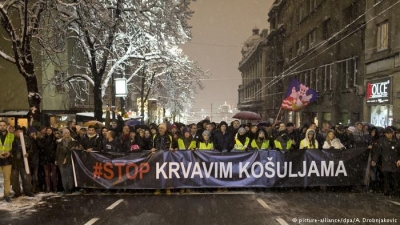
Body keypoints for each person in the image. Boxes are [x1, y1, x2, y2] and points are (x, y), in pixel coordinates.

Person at [371, 127, 400, 196]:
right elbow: (378, 152)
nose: (390, 135)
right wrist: (374, 160)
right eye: (388, 133)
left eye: (391, 133)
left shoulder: (397, 141)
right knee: (386, 178)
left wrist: (399, 159)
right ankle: (387, 191)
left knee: (395, 178)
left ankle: (395, 192)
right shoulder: (382, 141)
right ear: (385, 134)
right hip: (385, 162)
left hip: (395, 163)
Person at [151, 123, 176, 195]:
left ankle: (167, 188)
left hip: (167, 157)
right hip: (157, 157)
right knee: (157, 173)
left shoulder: (169, 136)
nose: (160, 129)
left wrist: (173, 148)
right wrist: (152, 148)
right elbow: (153, 145)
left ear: (165, 129)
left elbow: (174, 144)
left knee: (167, 173)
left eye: (162, 128)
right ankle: (158, 188)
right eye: (159, 128)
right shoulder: (155, 136)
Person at [11, 126, 34, 198]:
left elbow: (31, 148)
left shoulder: (26, 139)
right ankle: (17, 192)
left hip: (24, 162)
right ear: (15, 133)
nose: (20, 133)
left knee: (26, 177)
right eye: (18, 132)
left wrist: (28, 153)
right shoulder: (12, 140)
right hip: (15, 162)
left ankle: (28, 191)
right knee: (15, 178)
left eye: (21, 132)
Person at [55, 129, 78, 194]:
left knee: (70, 174)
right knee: (63, 175)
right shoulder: (60, 142)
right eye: (65, 133)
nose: (67, 134)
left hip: (70, 160)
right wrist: (56, 159)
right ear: (63, 134)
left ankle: (70, 188)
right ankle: (65, 188)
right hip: (61, 160)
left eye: (68, 133)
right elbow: (57, 152)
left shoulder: (74, 142)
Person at [39, 127, 58, 193]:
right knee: (47, 175)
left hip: (52, 159)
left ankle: (54, 187)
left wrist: (55, 158)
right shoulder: (43, 139)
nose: (49, 131)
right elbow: (42, 147)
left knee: (54, 174)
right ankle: (48, 188)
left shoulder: (55, 139)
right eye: (48, 130)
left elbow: (56, 150)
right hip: (46, 159)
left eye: (50, 130)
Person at [0, 121, 13, 202]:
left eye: (4, 125)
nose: (2, 127)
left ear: (6, 126)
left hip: (7, 160)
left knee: (7, 179)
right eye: (0, 125)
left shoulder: (11, 136)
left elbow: (14, 147)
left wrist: (10, 152)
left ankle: (6, 195)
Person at [27, 127, 40, 193]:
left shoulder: (37, 139)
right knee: (30, 175)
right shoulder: (27, 139)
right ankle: (30, 188)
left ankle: (35, 188)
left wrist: (36, 139)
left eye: (34, 132)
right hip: (29, 159)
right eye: (32, 132)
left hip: (35, 159)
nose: (33, 134)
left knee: (35, 175)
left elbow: (40, 146)